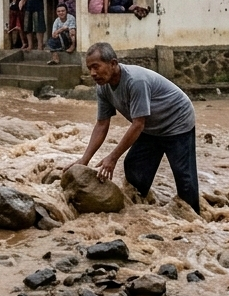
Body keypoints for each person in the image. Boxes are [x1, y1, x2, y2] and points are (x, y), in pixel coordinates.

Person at [76, 42, 199, 213]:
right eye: (89, 68)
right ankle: (141, 211)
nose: (92, 73)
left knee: (183, 176)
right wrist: (84, 160)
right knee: (134, 167)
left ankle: (194, 218)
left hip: (177, 121)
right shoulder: (103, 88)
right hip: (151, 125)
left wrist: (112, 157)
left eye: (96, 67)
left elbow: (138, 124)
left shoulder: (135, 81)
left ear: (113, 63)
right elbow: (102, 124)